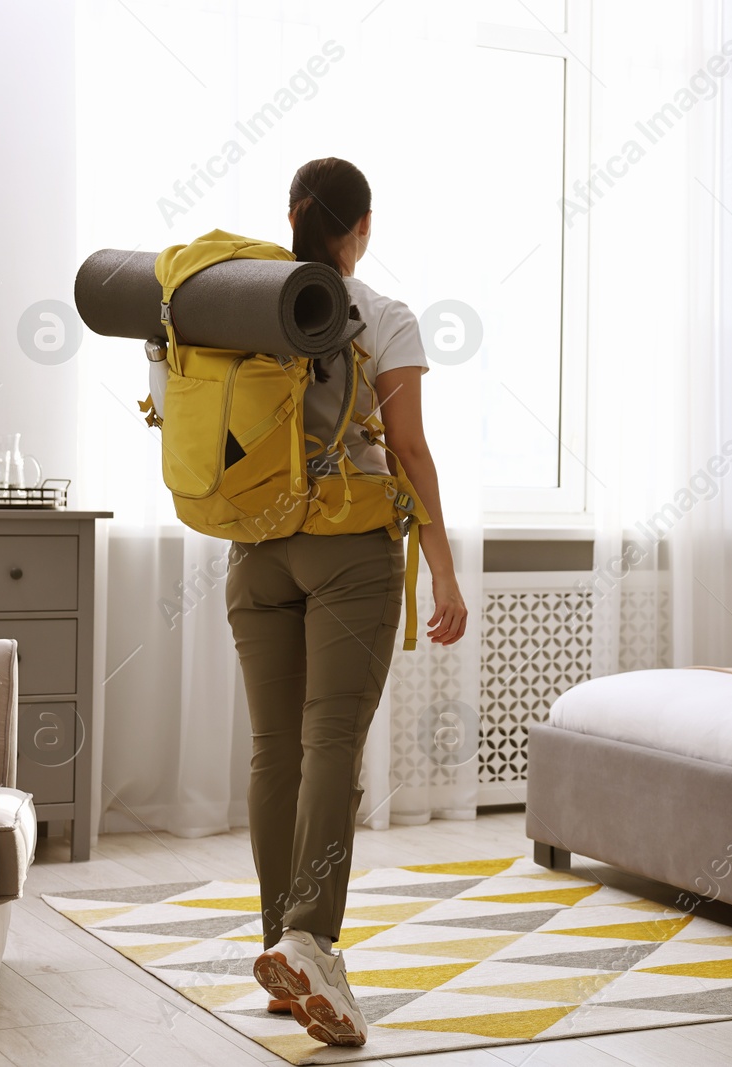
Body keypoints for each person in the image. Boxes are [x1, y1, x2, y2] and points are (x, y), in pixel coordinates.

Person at [224, 156, 468, 1047]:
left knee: (273, 754)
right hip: (347, 553)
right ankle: (309, 939)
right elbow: (409, 451)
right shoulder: (382, 316)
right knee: (331, 744)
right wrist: (442, 566)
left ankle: (278, 950)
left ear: (292, 215)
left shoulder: (240, 304)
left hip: (254, 554)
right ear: (361, 228)